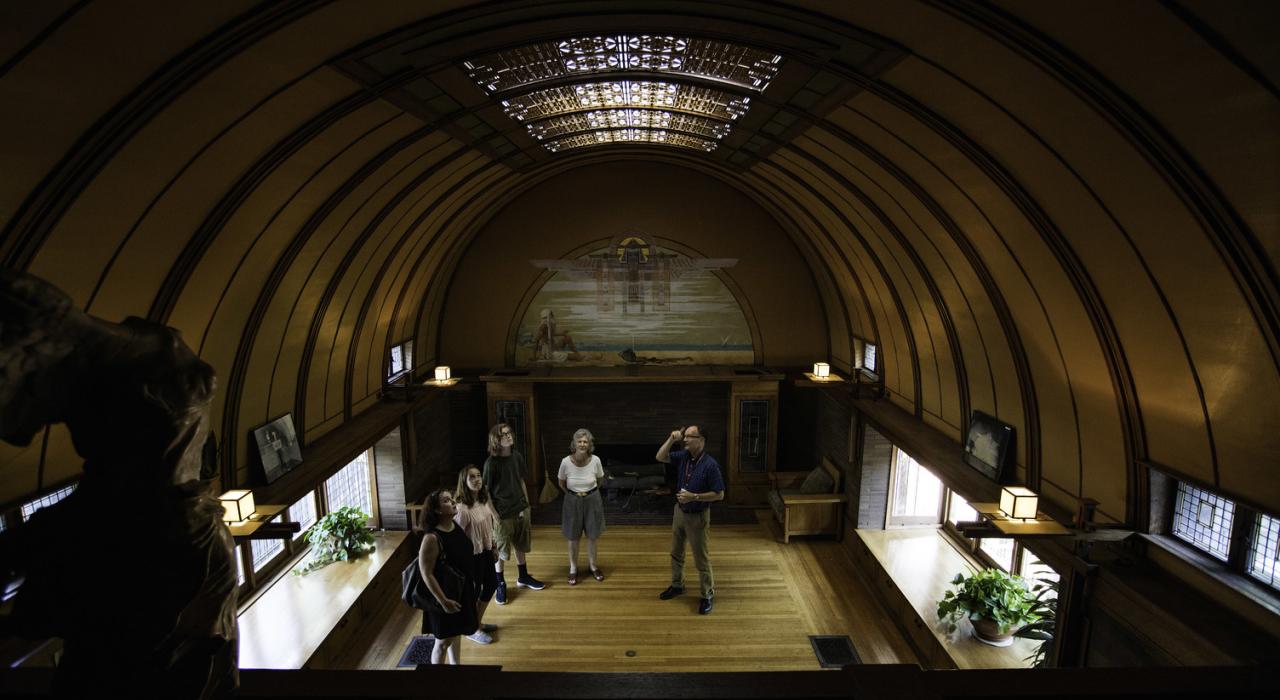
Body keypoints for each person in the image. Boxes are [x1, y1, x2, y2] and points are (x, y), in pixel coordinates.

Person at [655, 425, 724, 615]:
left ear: (701, 440)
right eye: (684, 436)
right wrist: (671, 438)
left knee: (701, 559)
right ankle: (678, 585)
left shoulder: (710, 465)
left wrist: (694, 496)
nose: (684, 439)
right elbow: (660, 457)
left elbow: (719, 494)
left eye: (689, 437)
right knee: (676, 552)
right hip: (680, 511)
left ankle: (707, 595)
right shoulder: (684, 456)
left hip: (698, 516)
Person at [482, 422, 546, 604]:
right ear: (496, 440)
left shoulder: (517, 456)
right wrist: (494, 514)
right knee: (502, 550)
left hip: (520, 509)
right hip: (502, 513)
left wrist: (527, 505)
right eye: (504, 434)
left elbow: (521, 481)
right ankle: (500, 583)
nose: (509, 436)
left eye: (509, 433)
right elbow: (485, 491)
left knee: (521, 544)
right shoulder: (491, 463)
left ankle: (523, 576)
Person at [417, 489, 478, 665]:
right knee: (443, 642)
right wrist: (443, 601)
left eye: (451, 499)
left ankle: (454, 669)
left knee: (455, 634)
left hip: (459, 591)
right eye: (446, 501)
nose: (452, 502)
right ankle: (438, 682)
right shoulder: (431, 538)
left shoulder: (454, 525)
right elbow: (426, 573)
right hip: (443, 596)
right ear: (436, 510)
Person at [454, 465, 500, 645]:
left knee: (491, 585)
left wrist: (494, 547)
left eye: (479, 476)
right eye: (471, 477)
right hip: (471, 557)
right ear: (464, 483)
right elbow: (456, 538)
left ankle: (476, 622)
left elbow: (489, 527)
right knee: (474, 592)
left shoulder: (482, 501)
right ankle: (471, 629)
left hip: (486, 551)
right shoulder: (462, 510)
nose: (477, 479)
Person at [557, 428, 606, 585]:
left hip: (592, 499)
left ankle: (593, 566)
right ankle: (573, 568)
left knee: (592, 536)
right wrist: (574, 494)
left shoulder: (596, 460)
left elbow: (600, 480)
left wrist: (589, 493)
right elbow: (561, 483)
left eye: (585, 441)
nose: (583, 444)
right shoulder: (565, 462)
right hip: (572, 501)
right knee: (573, 537)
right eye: (580, 441)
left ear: (589, 444)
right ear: (574, 443)